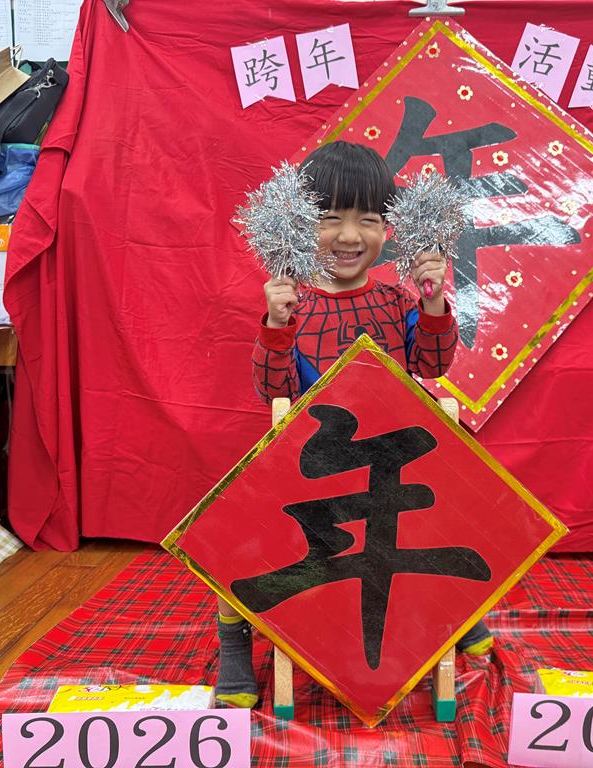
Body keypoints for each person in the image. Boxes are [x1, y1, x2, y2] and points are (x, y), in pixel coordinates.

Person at [217, 141, 492, 709]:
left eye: (367, 219)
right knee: (230, 532)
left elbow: (432, 366)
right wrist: (275, 323)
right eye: (329, 217)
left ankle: (456, 610)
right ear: (297, 222)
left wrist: (434, 305)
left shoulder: (396, 300)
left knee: (459, 503)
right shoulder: (293, 305)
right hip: (311, 474)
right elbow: (273, 390)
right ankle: (235, 639)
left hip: (391, 472)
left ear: (390, 228)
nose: (348, 235)